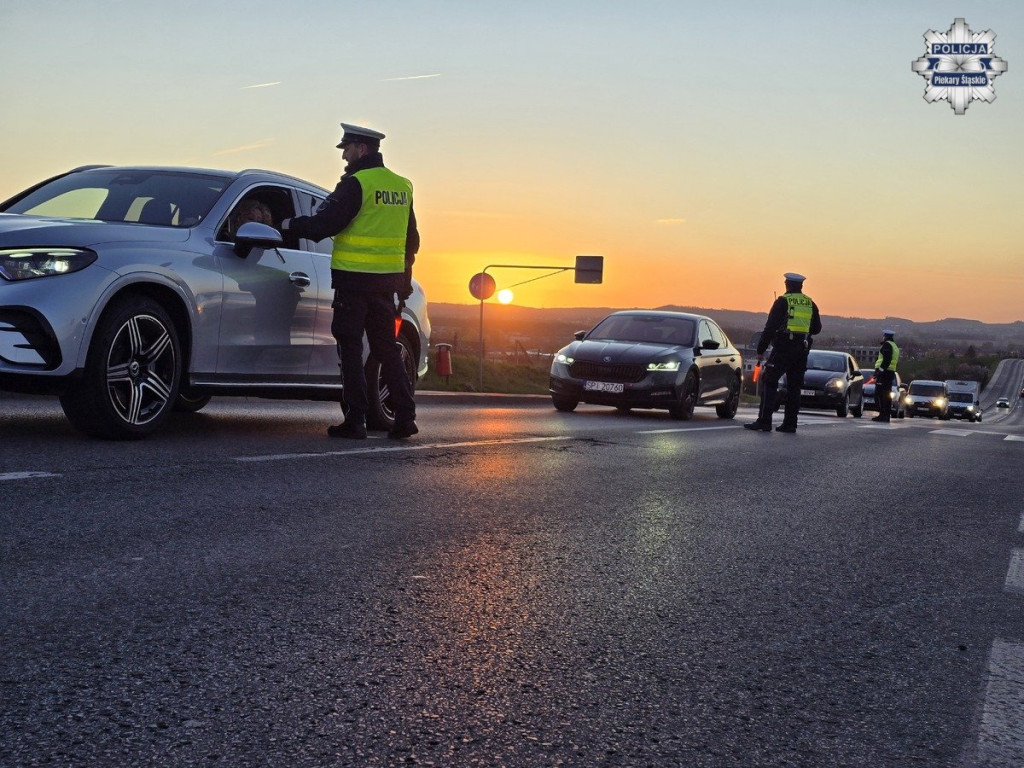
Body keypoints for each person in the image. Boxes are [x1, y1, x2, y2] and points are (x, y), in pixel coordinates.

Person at [280, 123, 419, 440]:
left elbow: (322, 226)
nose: (344, 155)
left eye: (347, 148)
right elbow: (412, 242)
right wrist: (403, 282)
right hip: (385, 287)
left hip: (354, 286)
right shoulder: (402, 187)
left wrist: (287, 223)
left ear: (362, 149)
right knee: (387, 350)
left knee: (351, 351)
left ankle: (356, 420)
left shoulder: (356, 184)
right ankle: (405, 418)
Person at [744, 272, 822, 434]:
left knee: (769, 380)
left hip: (784, 347)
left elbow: (770, 327)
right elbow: (816, 329)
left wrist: (761, 349)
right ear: (801, 286)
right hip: (802, 349)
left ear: (787, 285)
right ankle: (790, 424)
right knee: (795, 386)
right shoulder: (810, 303)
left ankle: (765, 421)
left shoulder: (783, 301)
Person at [871, 329, 899, 422]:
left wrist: (880, 371)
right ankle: (886, 415)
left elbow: (886, 359)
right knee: (886, 395)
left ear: (886, 337)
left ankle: (883, 414)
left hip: (884, 373)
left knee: (880, 394)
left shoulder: (887, 345)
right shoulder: (894, 346)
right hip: (890, 372)